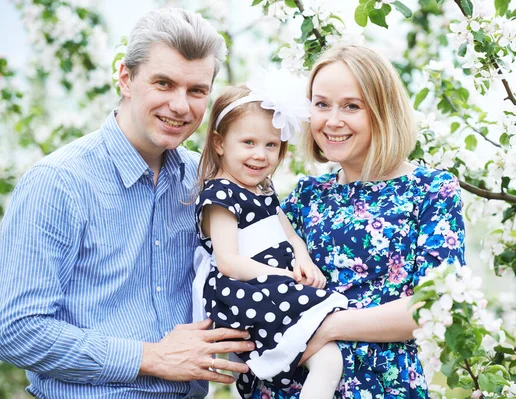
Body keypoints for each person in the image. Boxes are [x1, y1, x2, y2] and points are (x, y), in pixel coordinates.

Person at [0, 8, 254, 399]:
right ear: (125, 78)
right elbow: (17, 330)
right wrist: (148, 357)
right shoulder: (58, 184)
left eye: (197, 90)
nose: (181, 106)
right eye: (164, 84)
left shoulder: (205, 181)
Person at [251, 44, 466, 399]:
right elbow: (259, 272)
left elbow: (433, 305)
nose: (332, 121)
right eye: (321, 105)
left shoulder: (431, 190)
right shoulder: (307, 196)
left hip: (383, 386)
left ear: (382, 111)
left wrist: (325, 327)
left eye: (351, 106)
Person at [192, 74, 348, 399]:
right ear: (220, 143)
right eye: (248, 142)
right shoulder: (220, 194)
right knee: (328, 359)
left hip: (275, 284)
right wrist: (284, 277)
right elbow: (229, 262)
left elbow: (289, 234)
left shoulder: (262, 189)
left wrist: (303, 261)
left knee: (327, 360)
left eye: (271, 145)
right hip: (248, 290)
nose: (260, 155)